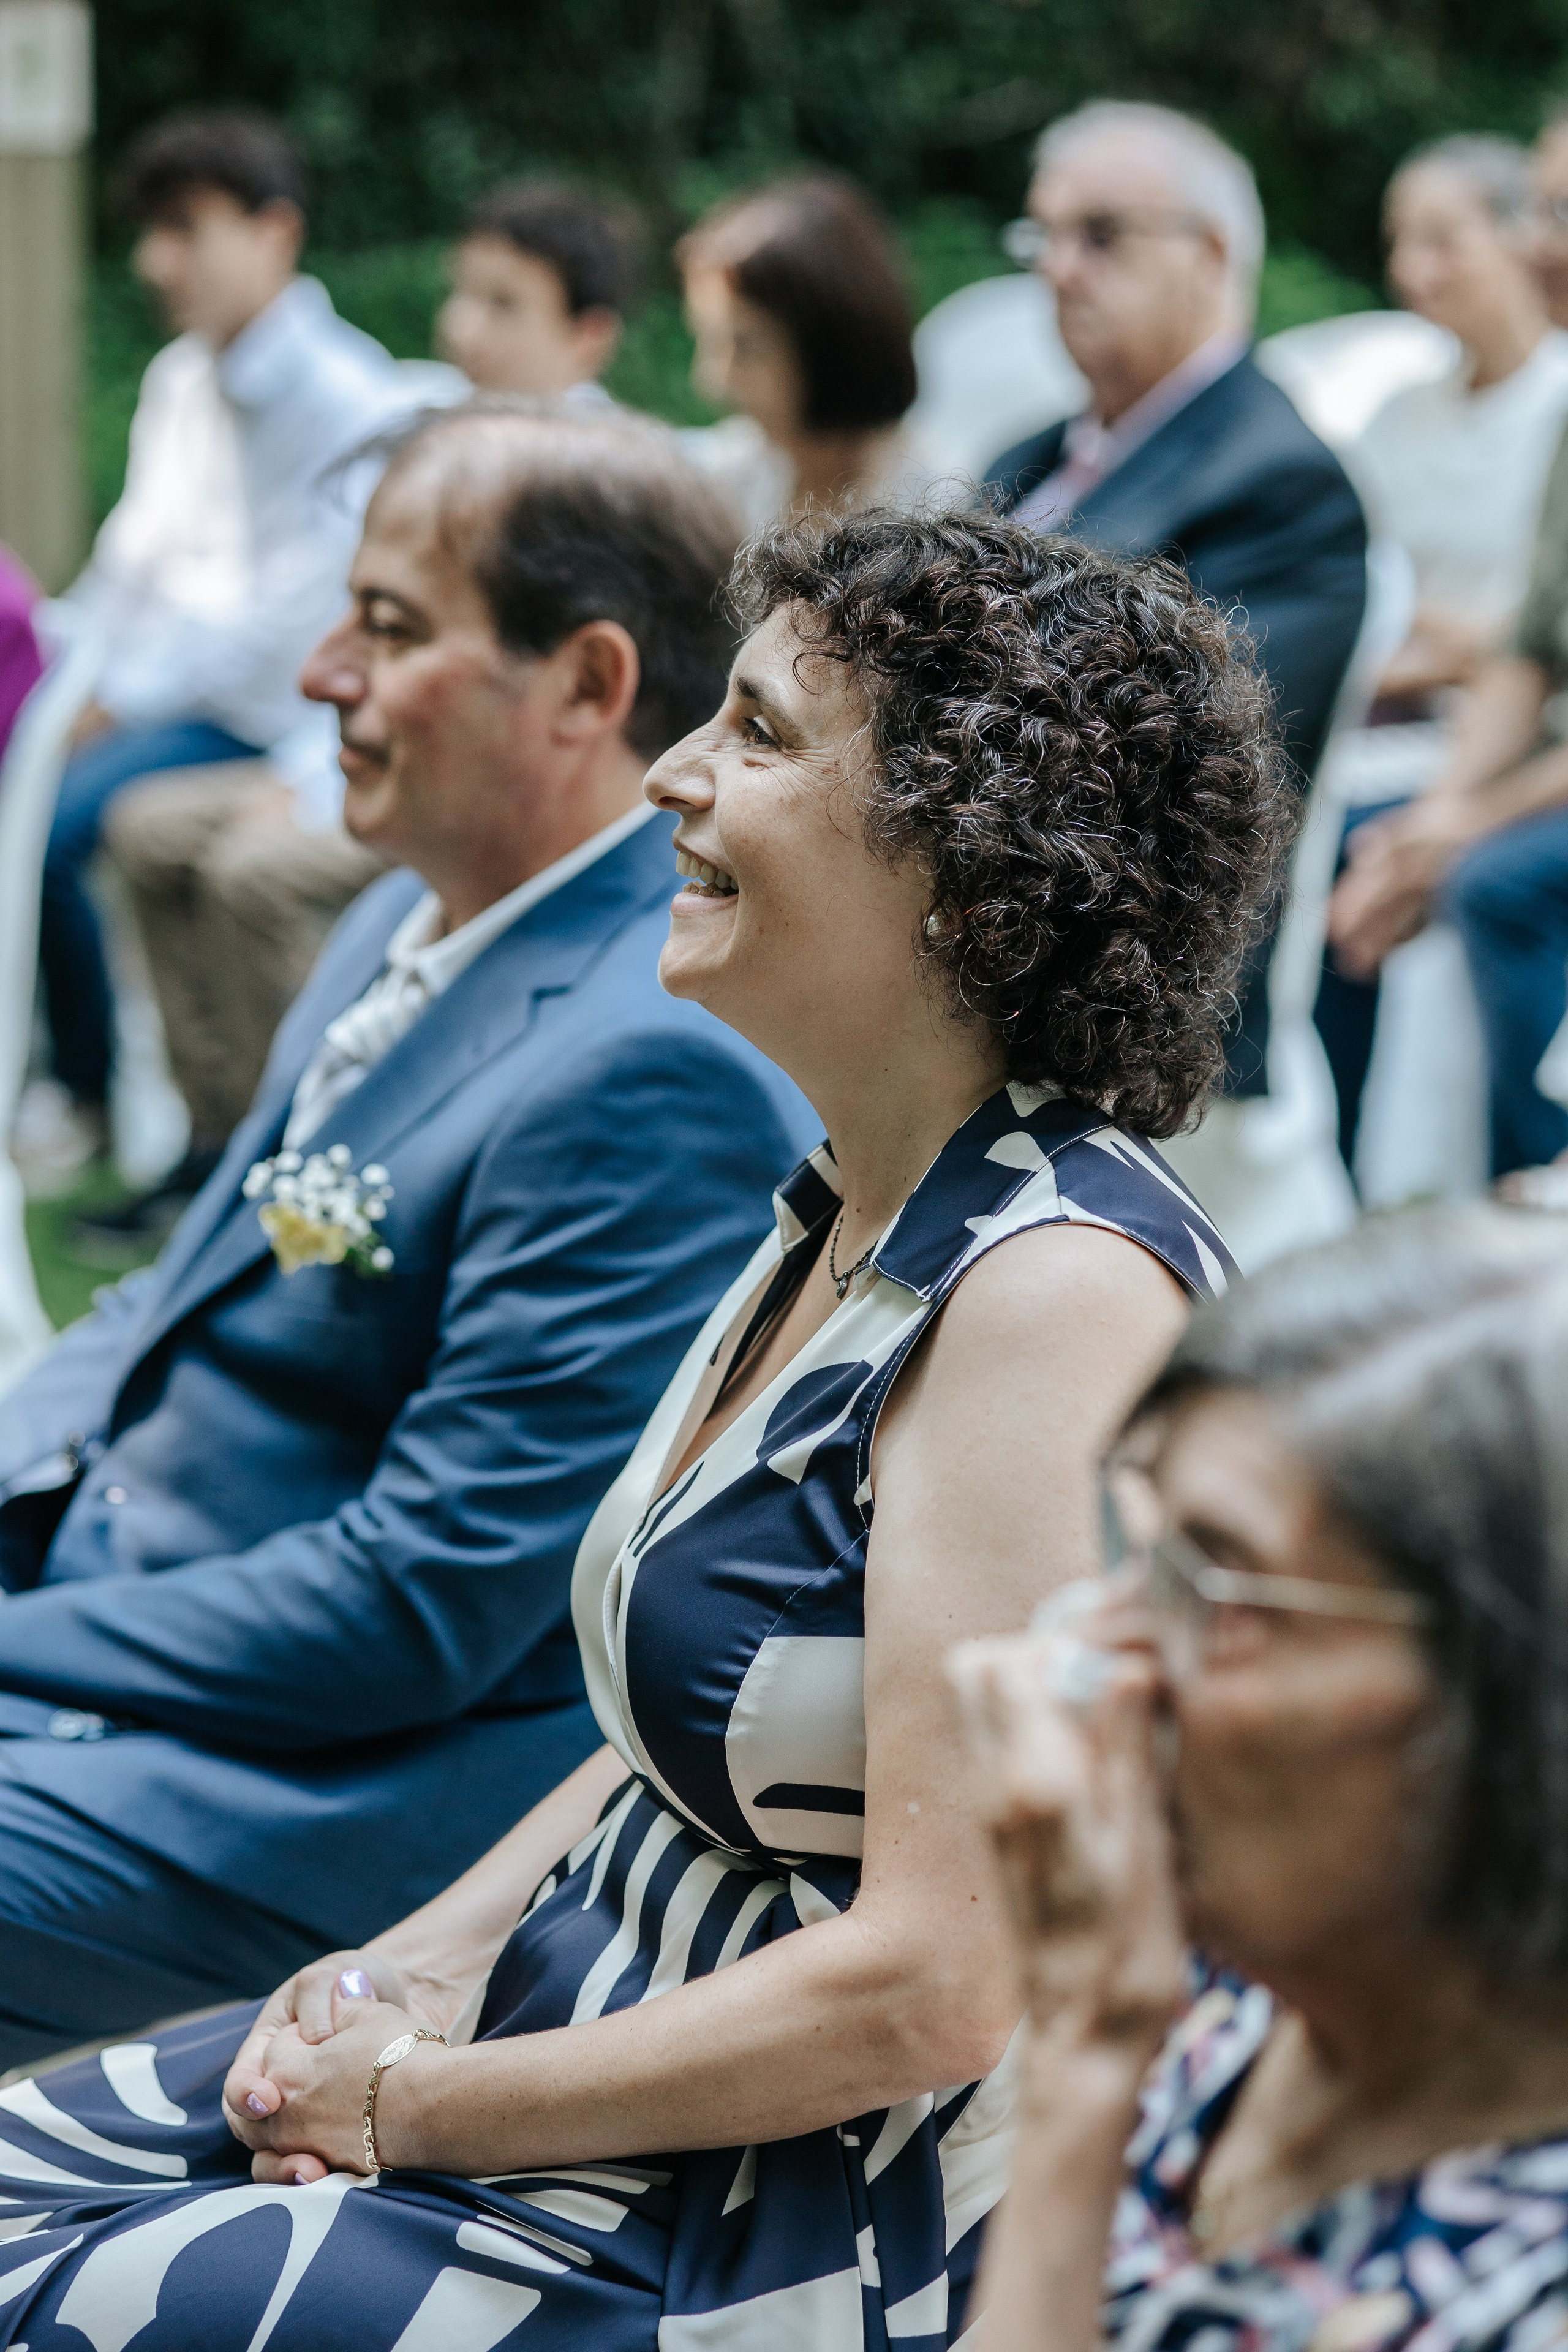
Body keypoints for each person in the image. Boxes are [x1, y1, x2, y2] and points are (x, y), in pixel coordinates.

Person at [0, 511, 1284, 2348]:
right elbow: (672, 1732)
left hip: (789, 2203)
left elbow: (937, 1986)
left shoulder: (1050, 1288)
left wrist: (411, 2106)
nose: (675, 772)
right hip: (586, 2008)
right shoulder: (850, 1205)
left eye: (756, 733)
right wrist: (417, 1957)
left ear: (963, 860)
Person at [0, 404, 817, 2071]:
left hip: (322, 1789)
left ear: (585, 684)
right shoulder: (398, 908)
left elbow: (418, 1601)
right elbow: (172, 1291)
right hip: (135, 1615)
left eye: (385, 626)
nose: (322, 672)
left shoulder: (648, 1064)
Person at [954, 1204, 1568, 2350]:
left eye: (1215, 1590)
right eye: (1143, 1555)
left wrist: (1083, 2060)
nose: (1089, 1651)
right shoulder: (1248, 1993)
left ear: (1525, 1695)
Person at [21, 110, 409, 1199]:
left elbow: (286, 627)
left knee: (53, 828)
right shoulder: (180, 380)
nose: (156, 262)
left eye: (185, 229)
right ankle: (187, 1132)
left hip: (275, 718)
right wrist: (61, 680)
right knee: (45, 783)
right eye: (152, 232)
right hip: (172, 697)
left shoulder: (346, 396)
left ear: (275, 231)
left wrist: (112, 703)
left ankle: (91, 1095)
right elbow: (131, 563)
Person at [986, 99, 1368, 1093]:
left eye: (1101, 234)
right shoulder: (1024, 457)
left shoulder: (1279, 482)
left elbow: (1185, 771)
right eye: (1043, 235)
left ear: (1212, 253)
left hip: (1112, 1002)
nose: (1057, 268)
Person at [1314, 136, 1568, 1176]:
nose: (1539, 245)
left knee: (1485, 880)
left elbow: (1488, 651)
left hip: (1499, 753)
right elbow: (1523, 649)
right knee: (1315, 835)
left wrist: (1461, 819)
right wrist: (1440, 819)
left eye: (1554, 216)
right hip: (1436, 736)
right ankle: (1334, 1166)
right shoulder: (1401, 418)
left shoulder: (1551, 403)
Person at [677, 173, 947, 530]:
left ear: (832, 344)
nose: (714, 380)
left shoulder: (933, 516)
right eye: (709, 342)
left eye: (746, 347)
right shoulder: (729, 477)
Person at [437, 177, 637, 400]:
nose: (460, 331)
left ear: (588, 338)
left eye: (503, 304)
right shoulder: (425, 393)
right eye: (458, 292)